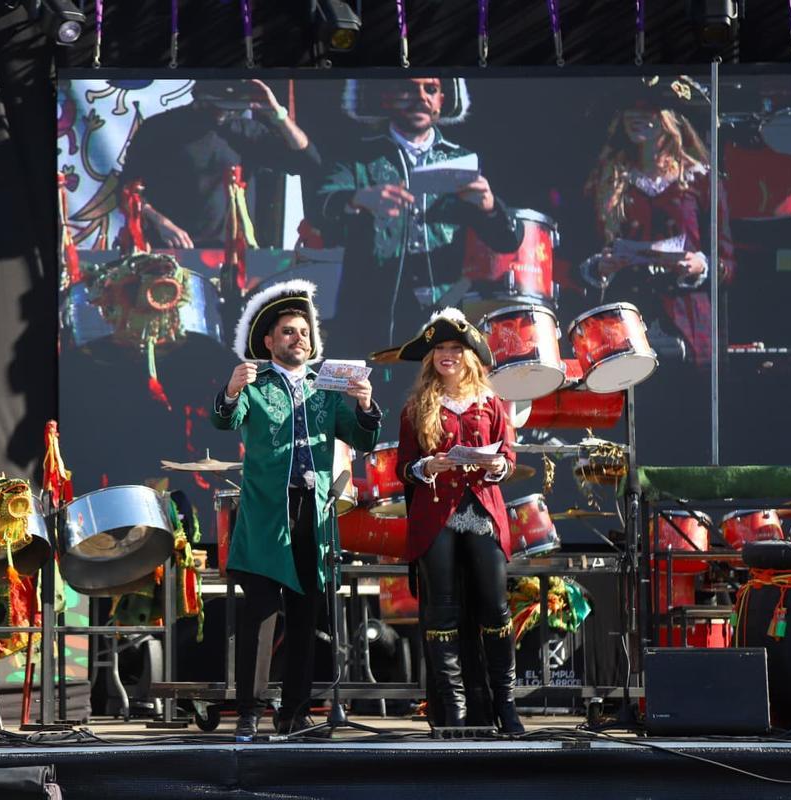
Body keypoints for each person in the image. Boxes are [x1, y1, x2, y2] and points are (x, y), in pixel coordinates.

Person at [211, 279, 382, 740]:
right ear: (269, 341)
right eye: (288, 331)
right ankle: (249, 712)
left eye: (303, 331)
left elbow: (361, 438)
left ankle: (296, 712)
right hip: (269, 512)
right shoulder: (255, 381)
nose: (298, 338)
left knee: (307, 614)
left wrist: (365, 403)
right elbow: (226, 419)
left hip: (315, 513)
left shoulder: (324, 387)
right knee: (262, 614)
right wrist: (230, 391)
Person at [316, 78, 521, 356]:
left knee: (432, 396)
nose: (421, 97)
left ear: (441, 102)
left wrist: (489, 206)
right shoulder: (357, 155)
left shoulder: (462, 159)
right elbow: (320, 207)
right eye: (408, 89)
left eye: (431, 89)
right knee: (368, 396)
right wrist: (358, 198)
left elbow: (508, 241)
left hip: (441, 317)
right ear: (386, 97)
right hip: (368, 315)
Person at [392, 307, 524, 734]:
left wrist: (498, 467)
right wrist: (427, 467)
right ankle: (454, 711)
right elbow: (404, 467)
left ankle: (505, 707)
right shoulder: (417, 407)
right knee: (442, 613)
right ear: (430, 358)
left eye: (455, 348)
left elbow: (507, 456)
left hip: (482, 510)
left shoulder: (493, 402)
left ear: (469, 355)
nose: (447, 355)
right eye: (440, 349)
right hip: (436, 516)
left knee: (495, 607)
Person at [582, 75, 734, 369]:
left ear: (669, 119)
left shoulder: (701, 180)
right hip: (622, 322)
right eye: (630, 109)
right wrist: (599, 267)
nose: (635, 117)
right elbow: (577, 251)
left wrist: (701, 266)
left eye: (647, 109)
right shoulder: (604, 180)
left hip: (689, 323)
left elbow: (728, 262)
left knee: (688, 408)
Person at [120, 78, 320, 249]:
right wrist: (160, 222)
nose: (225, 113)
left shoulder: (244, 131)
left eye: (232, 108)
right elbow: (126, 189)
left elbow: (307, 161)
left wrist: (278, 115)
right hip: (170, 249)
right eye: (219, 107)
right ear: (200, 99)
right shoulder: (160, 128)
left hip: (232, 254)